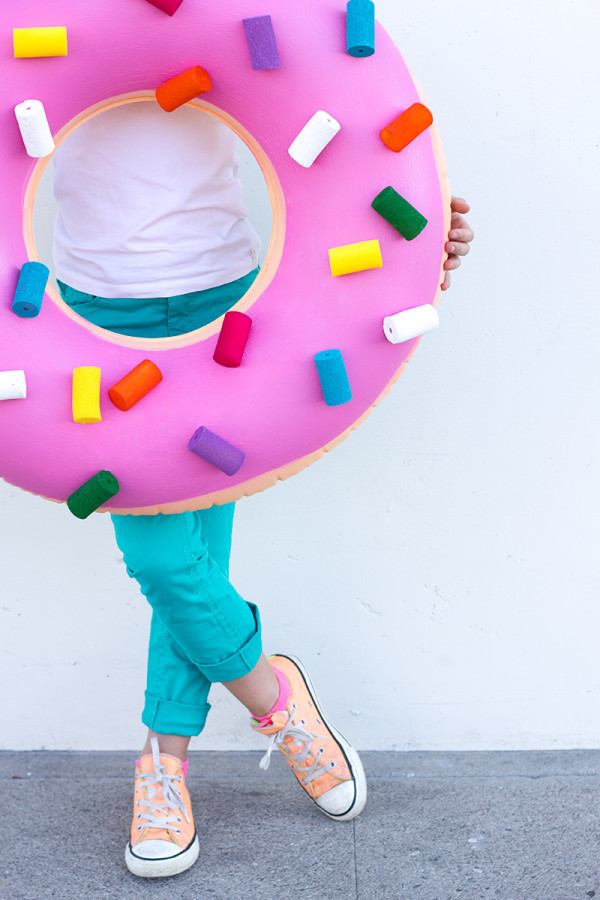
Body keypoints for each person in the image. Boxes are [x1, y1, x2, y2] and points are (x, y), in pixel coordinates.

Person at [52, 101, 474, 879]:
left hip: (232, 302)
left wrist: (409, 225)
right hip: (91, 311)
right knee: (166, 561)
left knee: (187, 560)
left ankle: (163, 765)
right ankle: (276, 697)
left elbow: (334, 111)